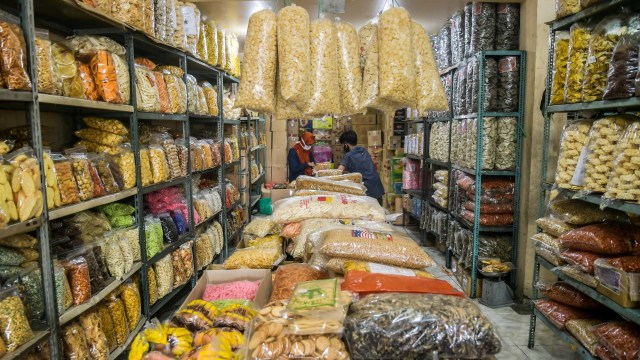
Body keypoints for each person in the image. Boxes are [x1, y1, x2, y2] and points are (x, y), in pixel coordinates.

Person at [338, 130, 385, 205]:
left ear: (346, 144)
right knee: (378, 212)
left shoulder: (348, 155)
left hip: (366, 191)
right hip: (376, 187)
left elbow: (339, 171)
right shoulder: (364, 150)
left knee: (367, 213)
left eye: (343, 145)